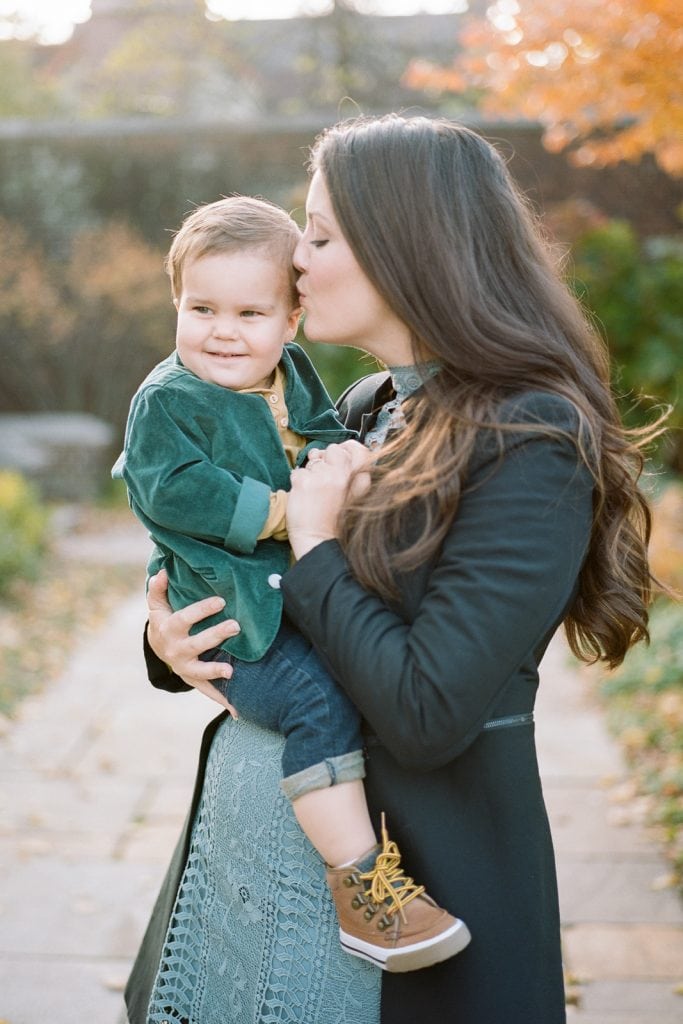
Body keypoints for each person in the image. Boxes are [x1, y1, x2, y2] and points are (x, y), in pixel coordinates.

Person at [124, 114, 659, 1024]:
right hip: (246, 891)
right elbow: (248, 570)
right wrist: (170, 640)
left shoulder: (529, 437)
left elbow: (424, 710)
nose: (294, 262)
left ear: (405, 249)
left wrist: (319, 542)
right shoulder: (366, 405)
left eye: (320, 236)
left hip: (413, 917)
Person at [114, 194, 468, 978]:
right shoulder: (168, 400)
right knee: (316, 702)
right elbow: (170, 490)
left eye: (249, 311)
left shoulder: (293, 374)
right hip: (237, 610)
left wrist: (355, 468)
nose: (223, 330)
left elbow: (323, 436)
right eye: (200, 307)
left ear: (289, 323)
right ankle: (363, 889)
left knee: (341, 681)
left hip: (284, 601)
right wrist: (287, 511)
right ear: (174, 304)